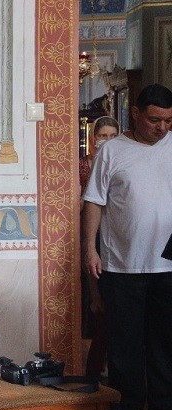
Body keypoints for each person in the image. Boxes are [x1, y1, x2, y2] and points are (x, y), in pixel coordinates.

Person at [82, 85, 172, 410]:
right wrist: (90, 248)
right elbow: (94, 201)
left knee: (165, 341)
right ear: (135, 114)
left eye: (168, 121)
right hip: (122, 264)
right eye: (154, 120)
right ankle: (126, 405)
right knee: (124, 341)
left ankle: (164, 408)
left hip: (168, 266)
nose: (161, 127)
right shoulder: (112, 151)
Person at [79, 115, 118, 377]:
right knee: (98, 305)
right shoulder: (83, 165)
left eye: (112, 136)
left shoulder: (119, 161)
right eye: (103, 136)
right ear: (94, 138)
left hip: (113, 233)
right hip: (90, 232)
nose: (107, 141)